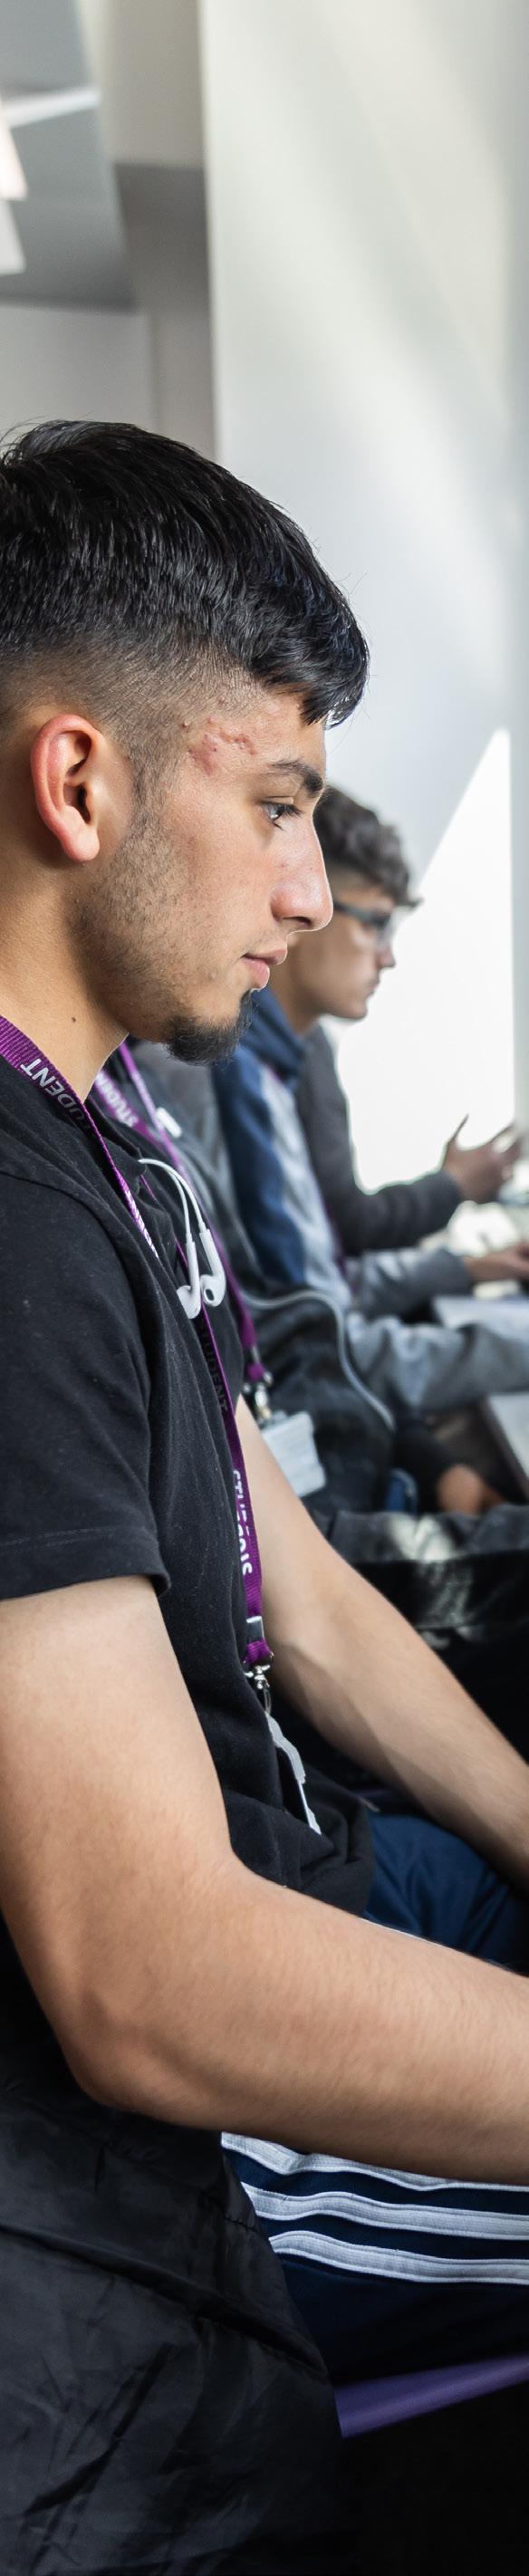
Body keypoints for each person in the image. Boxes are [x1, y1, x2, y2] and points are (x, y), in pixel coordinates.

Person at [2, 421, 529, 2575]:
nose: (308, 891)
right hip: (158, 2167)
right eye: (282, 806)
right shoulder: (14, 1212)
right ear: (81, 783)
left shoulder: (114, 1119)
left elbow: (288, 1578)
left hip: (269, 1903)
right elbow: (146, 1974)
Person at [214, 794, 529, 1419]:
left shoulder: (288, 1059)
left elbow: (326, 1283)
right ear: (303, 905)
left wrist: (462, 1268)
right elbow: (325, 1342)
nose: (389, 956)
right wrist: (453, 1190)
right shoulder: (239, 1076)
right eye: (375, 925)